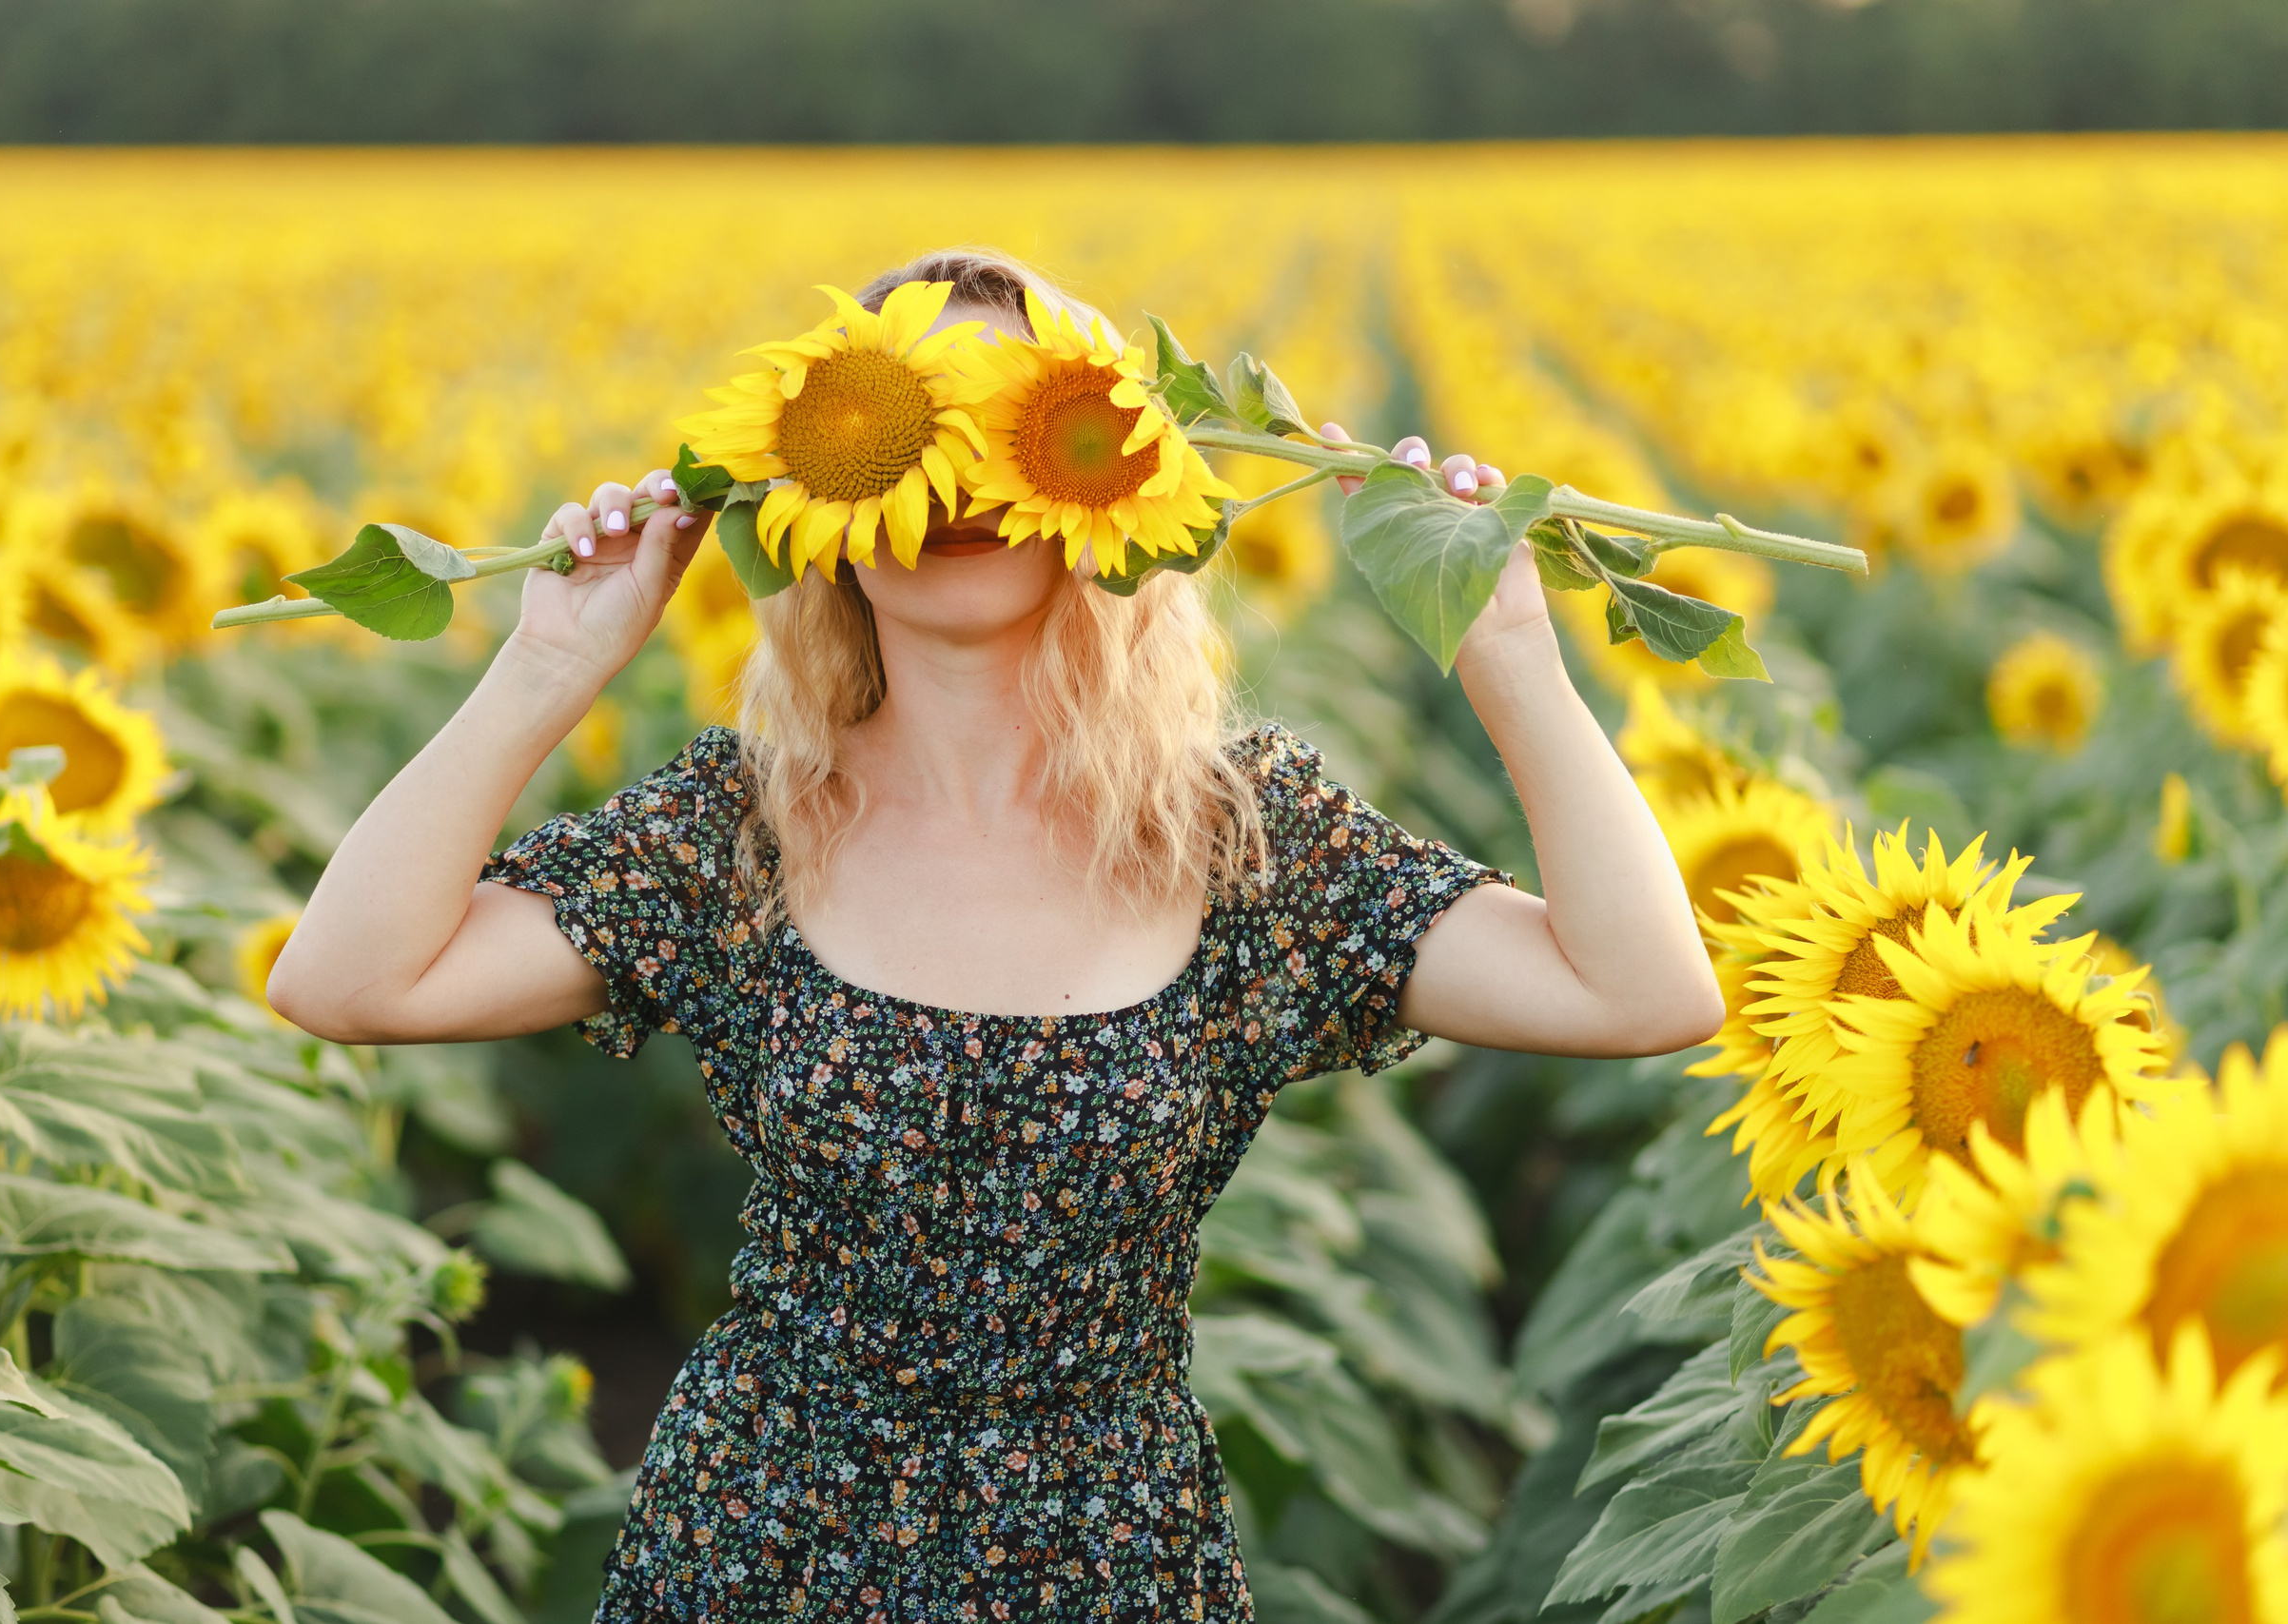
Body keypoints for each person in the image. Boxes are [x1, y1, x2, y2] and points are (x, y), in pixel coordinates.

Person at [267, 248, 1722, 1622]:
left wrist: (1508, 650)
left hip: (1109, 1560)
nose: (950, 478)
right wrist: (547, 667)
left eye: (1001, 423)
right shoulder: (745, 828)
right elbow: (348, 979)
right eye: (901, 427)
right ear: (812, 493)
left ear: (1098, 475)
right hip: (760, 1546)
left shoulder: (1231, 837)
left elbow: (1642, 992)